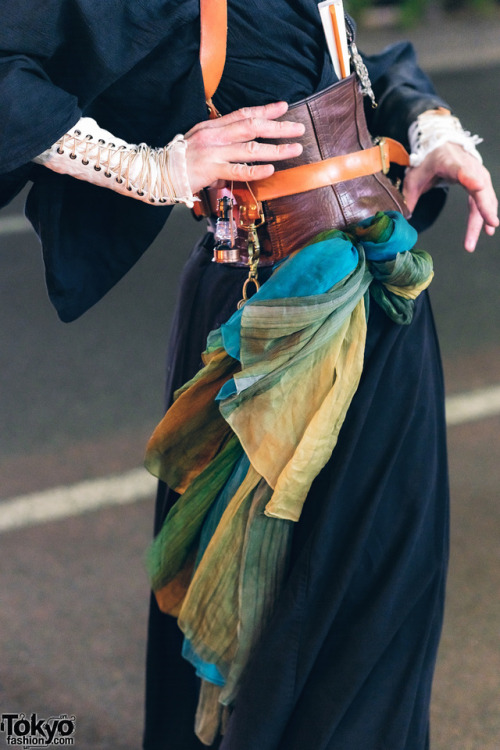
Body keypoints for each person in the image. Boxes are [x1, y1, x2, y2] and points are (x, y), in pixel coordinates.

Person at [0, 2, 497, 749]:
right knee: (276, 619)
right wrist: (152, 168)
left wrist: (432, 130)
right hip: (271, 315)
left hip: (381, 301)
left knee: (383, 597)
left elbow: (346, 74)